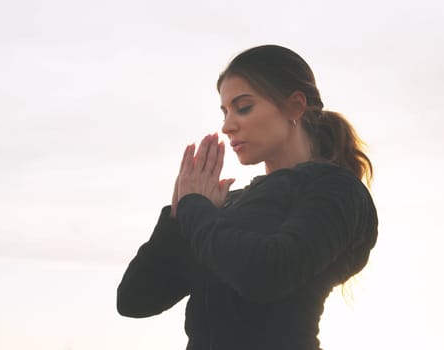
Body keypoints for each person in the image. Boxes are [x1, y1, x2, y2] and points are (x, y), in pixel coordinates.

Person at [116, 44, 378, 350]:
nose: (227, 126)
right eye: (225, 112)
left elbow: (269, 273)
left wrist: (196, 210)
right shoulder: (225, 206)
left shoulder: (337, 190)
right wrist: (177, 216)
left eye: (243, 107)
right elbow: (135, 300)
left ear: (294, 107)